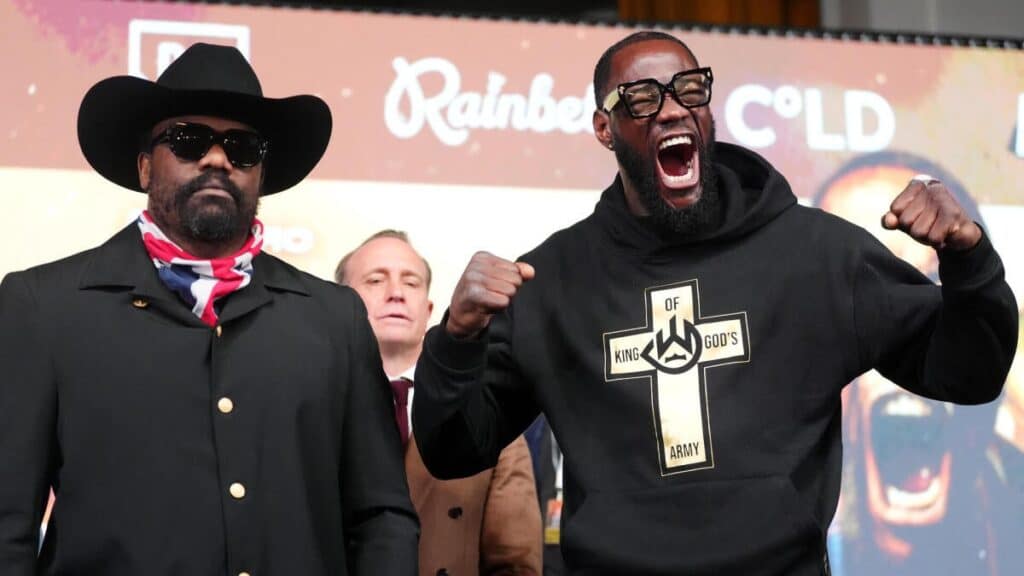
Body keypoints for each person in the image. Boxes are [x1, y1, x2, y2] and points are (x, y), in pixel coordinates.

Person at [410, 30, 1019, 575]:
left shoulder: (814, 254)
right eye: (642, 98)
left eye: (689, 89)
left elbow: (969, 373)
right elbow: (452, 448)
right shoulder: (554, 281)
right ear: (604, 129)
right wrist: (456, 340)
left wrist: (969, 260)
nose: (673, 107)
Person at [0, 43, 418, 575]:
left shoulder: (334, 320)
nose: (217, 158)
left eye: (242, 147)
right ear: (146, 167)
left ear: (261, 175)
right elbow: (6, 523)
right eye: (188, 139)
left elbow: (381, 516)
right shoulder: (45, 307)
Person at [814, 152, 1002, 574]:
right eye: (857, 292)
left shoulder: (1012, 484)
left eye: (933, 281)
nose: (898, 316)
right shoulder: (775, 516)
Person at [337, 230, 542, 576]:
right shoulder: (306, 413)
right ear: (339, 304)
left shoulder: (488, 421)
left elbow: (515, 564)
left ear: (429, 308)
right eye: (375, 280)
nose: (397, 294)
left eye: (412, 283)